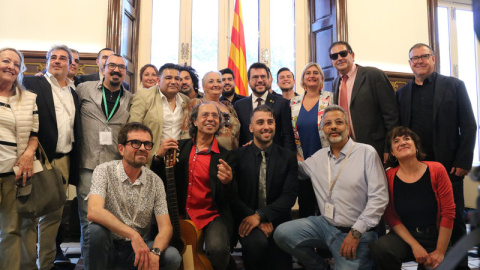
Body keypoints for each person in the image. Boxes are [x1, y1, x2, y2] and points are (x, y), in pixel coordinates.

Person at [274, 105, 388, 269]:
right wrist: (268, 148)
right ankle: (320, 266)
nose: (333, 126)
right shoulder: (319, 157)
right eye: (328, 124)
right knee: (283, 234)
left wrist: (356, 232)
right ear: (322, 129)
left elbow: (379, 199)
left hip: (357, 232)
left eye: (338, 122)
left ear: (347, 127)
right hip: (325, 225)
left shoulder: (366, 153)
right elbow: (294, 168)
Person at [396, 43, 477, 270]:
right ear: (410, 63)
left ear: (433, 58)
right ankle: (430, 264)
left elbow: (469, 126)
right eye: (414, 58)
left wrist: (463, 161)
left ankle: (460, 264)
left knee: (455, 219)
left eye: (424, 56)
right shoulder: (402, 93)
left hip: (450, 166)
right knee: (428, 219)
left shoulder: (454, 85)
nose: (419, 61)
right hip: (417, 170)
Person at [84, 122, 181, 270]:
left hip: (138, 251)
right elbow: (94, 211)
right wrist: (133, 235)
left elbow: (166, 227)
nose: (142, 148)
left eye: (147, 144)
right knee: (96, 231)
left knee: (172, 256)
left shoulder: (155, 181)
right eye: (135, 143)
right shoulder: (104, 170)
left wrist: (155, 252)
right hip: (109, 247)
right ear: (121, 149)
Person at [151, 102, 237, 270]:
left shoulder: (226, 156)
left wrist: (228, 183)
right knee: (173, 252)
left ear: (219, 123)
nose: (210, 119)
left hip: (211, 215)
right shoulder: (178, 148)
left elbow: (230, 198)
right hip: (180, 214)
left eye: (215, 116)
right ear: (195, 122)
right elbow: (157, 180)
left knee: (218, 249)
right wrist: (157, 158)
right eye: (205, 115)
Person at [23, 44, 82, 270]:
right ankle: (27, 265)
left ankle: (45, 265)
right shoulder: (32, 83)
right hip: (37, 160)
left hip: (64, 161)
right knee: (30, 215)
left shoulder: (74, 93)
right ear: (47, 62)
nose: (57, 61)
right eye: (53, 58)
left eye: (63, 58)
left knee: (53, 218)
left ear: (70, 65)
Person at [370, 126, 455, 270]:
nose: (402, 142)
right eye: (396, 141)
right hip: (405, 237)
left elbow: (448, 212)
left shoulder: (437, 170)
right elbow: (391, 217)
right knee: (380, 248)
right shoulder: (388, 177)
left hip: (435, 237)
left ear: (416, 147)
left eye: (407, 139)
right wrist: (415, 245)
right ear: (392, 152)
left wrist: (440, 252)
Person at [76, 53, 134, 253]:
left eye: (121, 67)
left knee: (112, 216)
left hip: (115, 167)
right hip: (88, 164)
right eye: (112, 66)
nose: (116, 70)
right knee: (88, 217)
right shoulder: (83, 89)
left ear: (125, 73)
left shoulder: (130, 99)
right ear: (103, 67)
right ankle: (89, 261)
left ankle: (109, 260)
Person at [232, 105, 298, 270]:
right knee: (257, 244)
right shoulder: (237, 156)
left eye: (270, 122)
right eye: (260, 122)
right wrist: (254, 218)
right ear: (251, 128)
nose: (266, 126)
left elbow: (289, 196)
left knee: (281, 263)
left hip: (277, 220)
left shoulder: (288, 157)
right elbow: (232, 195)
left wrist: (261, 216)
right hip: (246, 219)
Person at [0, 48, 39, 270]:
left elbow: (34, 134)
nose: (11, 67)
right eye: (6, 61)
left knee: (10, 231)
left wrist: (28, 153)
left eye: (16, 64)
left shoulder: (28, 99)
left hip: (10, 176)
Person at [330, 41, 399, 162]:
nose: (339, 58)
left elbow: (391, 115)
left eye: (343, 54)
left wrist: (389, 147)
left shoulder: (374, 75)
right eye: (334, 56)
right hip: (348, 150)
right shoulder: (336, 83)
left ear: (352, 55)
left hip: (376, 148)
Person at [290, 63, 332, 218]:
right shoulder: (293, 103)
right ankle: (307, 241)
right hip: (303, 162)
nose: (312, 75)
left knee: (327, 206)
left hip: (327, 162)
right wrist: (295, 154)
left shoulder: (330, 98)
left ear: (321, 78)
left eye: (316, 73)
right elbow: (289, 132)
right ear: (303, 79)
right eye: (308, 73)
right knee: (306, 206)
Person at [129, 63, 190, 166]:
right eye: (168, 78)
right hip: (151, 159)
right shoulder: (144, 96)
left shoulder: (185, 101)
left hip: (179, 161)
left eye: (177, 78)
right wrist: (155, 155)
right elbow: (133, 129)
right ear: (158, 81)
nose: (173, 82)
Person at [234, 62, 295, 151]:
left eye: (263, 77)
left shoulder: (281, 103)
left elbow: (287, 136)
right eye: (255, 77)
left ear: (269, 79)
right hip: (247, 158)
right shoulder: (239, 105)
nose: (259, 80)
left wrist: (287, 160)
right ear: (248, 82)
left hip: (275, 158)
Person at [180, 71, 240, 150]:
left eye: (219, 81)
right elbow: (186, 134)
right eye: (211, 81)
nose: (216, 84)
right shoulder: (196, 104)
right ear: (204, 86)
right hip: (205, 156)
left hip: (232, 157)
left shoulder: (229, 106)